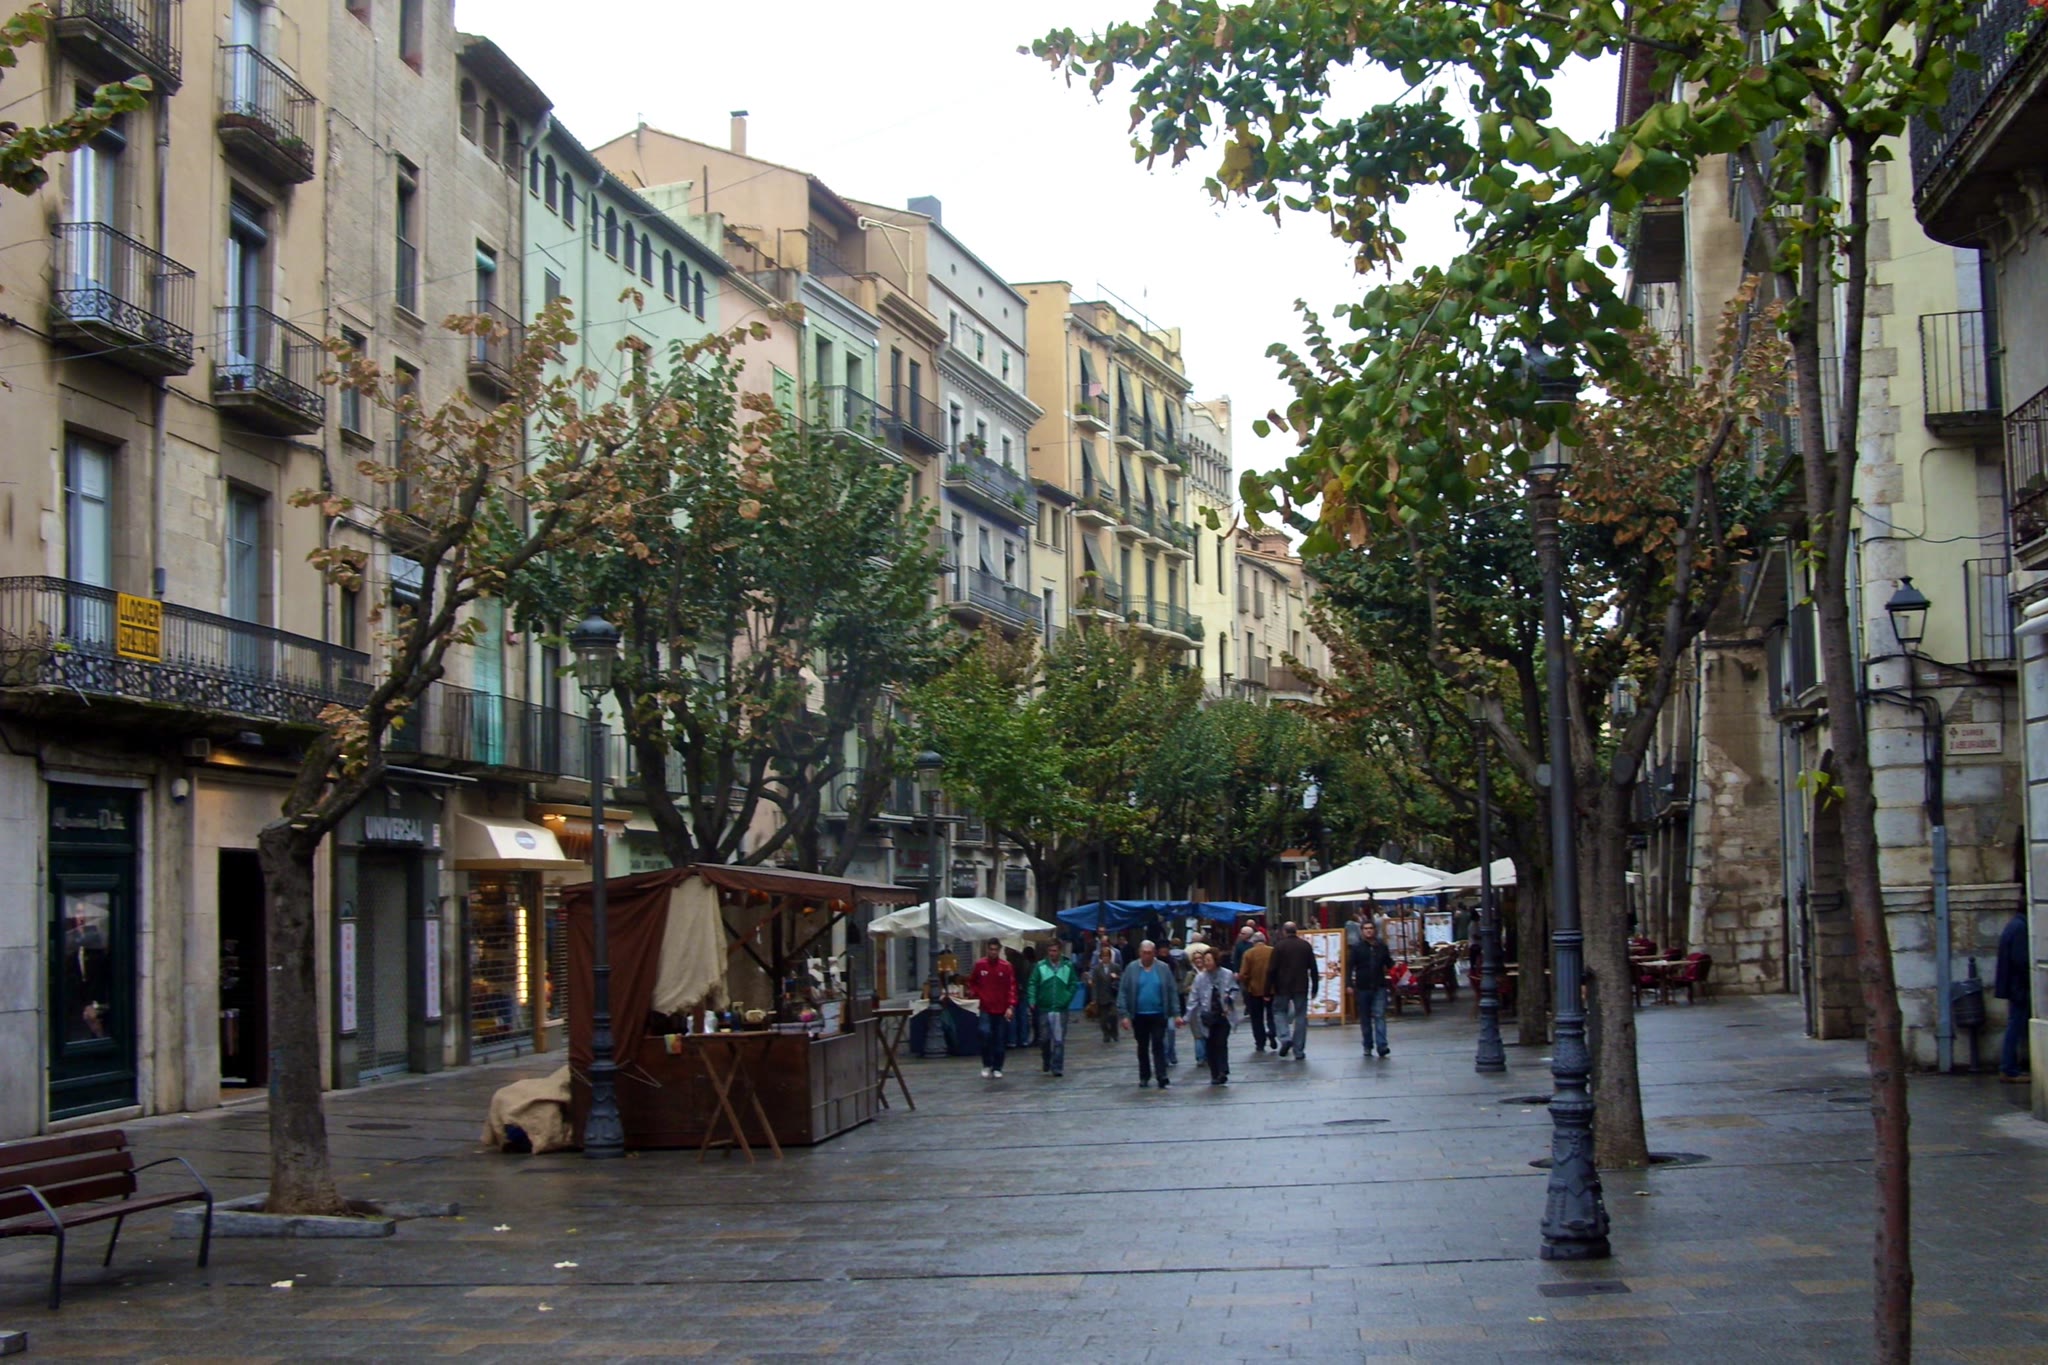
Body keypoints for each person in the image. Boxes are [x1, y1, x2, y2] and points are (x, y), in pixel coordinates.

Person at [1117, 939, 1182, 1088]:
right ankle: (1144, 1075)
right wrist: (1124, 1015)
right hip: (1139, 1014)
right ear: (1140, 953)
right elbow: (1123, 992)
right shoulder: (1131, 968)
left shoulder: (1163, 968)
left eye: (1150, 953)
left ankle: (1161, 1075)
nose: (1147, 956)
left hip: (1158, 1013)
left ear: (1154, 953)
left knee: (1158, 1043)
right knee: (1142, 1046)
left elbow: (1171, 991)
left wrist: (1176, 1013)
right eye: (1144, 953)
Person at [1184, 946, 1242, 1086]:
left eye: (1209, 960)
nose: (1207, 963)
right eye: (1205, 960)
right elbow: (1193, 999)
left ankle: (1223, 1071)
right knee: (1210, 1045)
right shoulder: (1200, 978)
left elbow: (1234, 989)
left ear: (1216, 960)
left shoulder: (1227, 974)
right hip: (1207, 1016)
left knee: (1221, 1043)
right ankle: (1214, 1073)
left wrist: (1229, 998)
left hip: (1223, 1014)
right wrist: (1186, 1017)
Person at [1027, 938, 1082, 1077]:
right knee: (1044, 1038)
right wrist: (1032, 999)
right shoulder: (1040, 966)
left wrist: (1066, 998)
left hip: (1060, 1008)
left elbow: (1073, 983)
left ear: (1060, 951)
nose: (1052, 953)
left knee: (1059, 1039)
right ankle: (1046, 1058)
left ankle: (1057, 1066)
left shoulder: (1067, 966)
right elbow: (1033, 983)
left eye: (1055, 951)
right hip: (1044, 1007)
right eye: (1050, 951)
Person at [966, 938, 1016, 1078]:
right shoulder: (980, 965)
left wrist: (1010, 1005)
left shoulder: (1006, 967)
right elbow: (972, 981)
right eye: (991, 949)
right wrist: (976, 993)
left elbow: (1011, 987)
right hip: (986, 1007)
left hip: (1001, 1008)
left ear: (999, 950)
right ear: (987, 950)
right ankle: (987, 1063)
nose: (993, 952)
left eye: (995, 949)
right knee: (985, 1033)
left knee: (999, 1038)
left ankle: (997, 1066)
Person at [1269, 921, 1318, 1060]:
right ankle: (1299, 1050)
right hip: (1301, 986)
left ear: (1284, 931)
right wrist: (1315, 987)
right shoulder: (1305, 946)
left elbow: (1272, 969)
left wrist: (1268, 988)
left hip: (1282, 986)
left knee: (1279, 1012)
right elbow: (1313, 968)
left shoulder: (1279, 947)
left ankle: (1285, 1037)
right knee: (1301, 1016)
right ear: (1296, 931)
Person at [1347, 918, 1396, 1058]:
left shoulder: (1381, 946)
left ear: (1375, 930)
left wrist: (1396, 967)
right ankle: (1367, 1045)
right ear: (1362, 931)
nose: (1368, 931)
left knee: (1380, 1015)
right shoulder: (1357, 948)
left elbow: (1388, 963)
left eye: (1371, 928)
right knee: (1365, 1018)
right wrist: (1349, 984)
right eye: (1366, 929)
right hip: (1363, 987)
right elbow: (1350, 967)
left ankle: (1382, 1045)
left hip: (1379, 985)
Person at [1996, 906, 2032, 1083]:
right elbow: (2021, 960)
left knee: (2016, 1025)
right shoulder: (2020, 927)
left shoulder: (2015, 924)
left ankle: (2010, 1067)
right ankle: (2009, 1069)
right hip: (2019, 987)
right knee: (2015, 1026)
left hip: (2014, 985)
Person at [1239, 931, 1275, 1053]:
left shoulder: (1249, 953)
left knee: (1256, 1018)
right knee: (1272, 1014)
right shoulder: (1272, 951)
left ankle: (1260, 1042)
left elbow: (1243, 974)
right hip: (1271, 989)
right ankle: (1272, 1031)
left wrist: (1247, 984)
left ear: (1253, 942)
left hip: (1254, 990)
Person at [1089, 942, 1122, 1044]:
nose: (1105, 958)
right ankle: (1106, 1034)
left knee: (1113, 1016)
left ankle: (1114, 1033)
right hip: (1101, 996)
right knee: (1103, 1019)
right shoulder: (1097, 969)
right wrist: (1094, 999)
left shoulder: (1115, 967)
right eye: (1103, 956)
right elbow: (1095, 984)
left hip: (1112, 996)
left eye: (1107, 956)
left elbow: (1122, 979)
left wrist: (1116, 977)